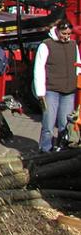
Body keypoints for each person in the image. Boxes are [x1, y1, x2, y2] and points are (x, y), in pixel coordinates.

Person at [33, 20, 80, 152]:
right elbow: (39, 68)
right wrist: (40, 92)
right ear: (57, 31)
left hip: (69, 90)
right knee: (48, 122)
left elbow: (78, 64)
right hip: (51, 90)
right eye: (64, 33)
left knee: (65, 123)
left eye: (69, 34)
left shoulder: (73, 45)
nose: (66, 36)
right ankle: (45, 149)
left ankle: (61, 148)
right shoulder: (46, 45)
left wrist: (77, 81)